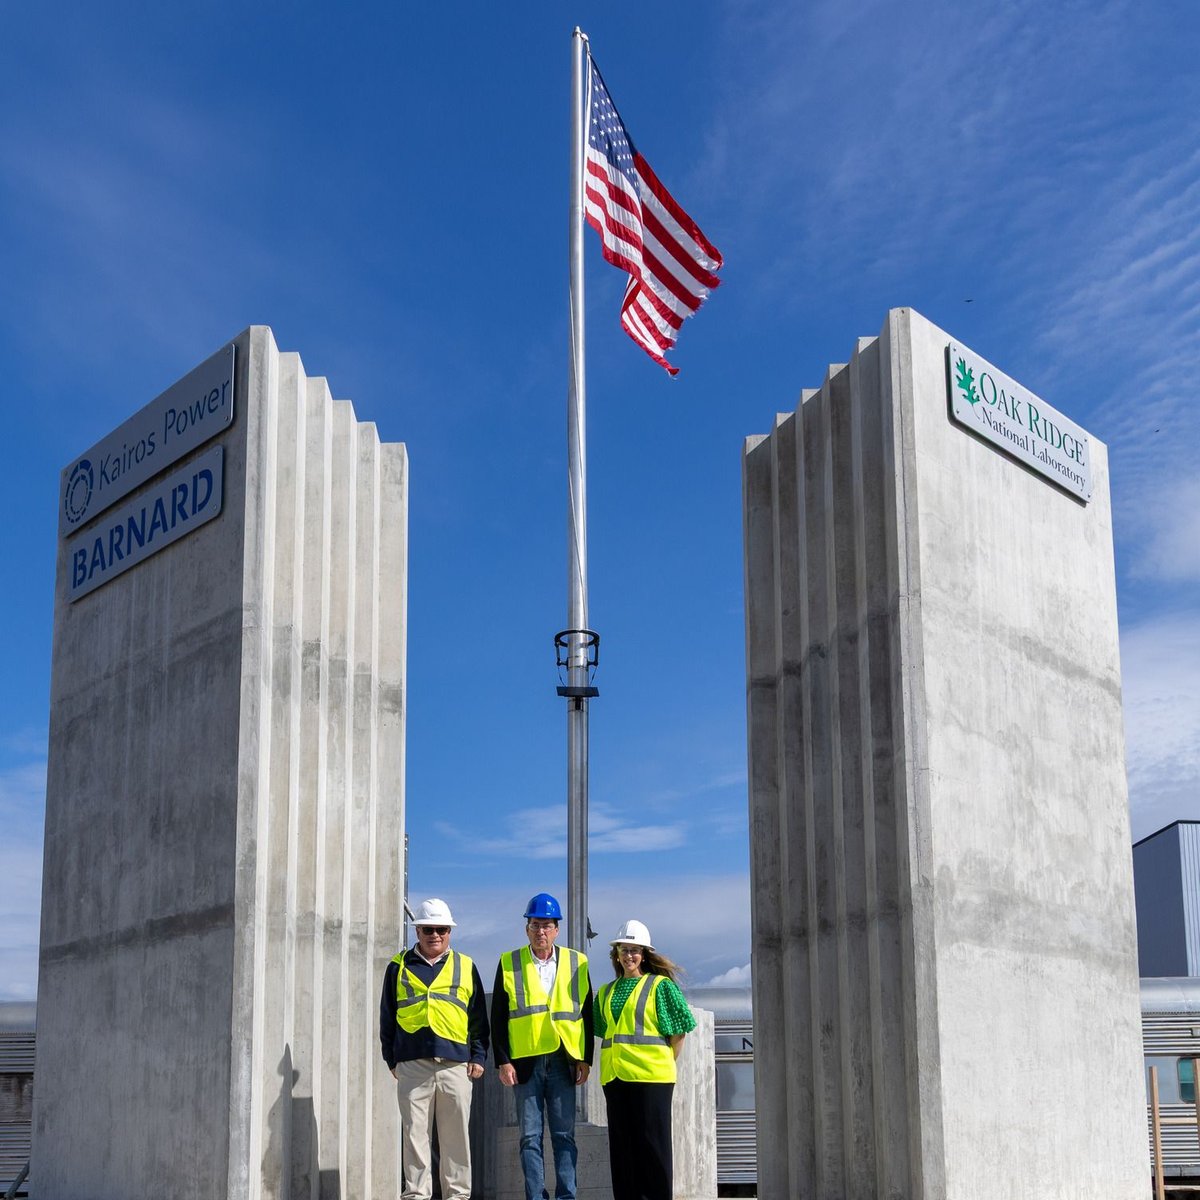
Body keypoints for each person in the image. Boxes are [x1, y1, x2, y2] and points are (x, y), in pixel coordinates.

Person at [379, 897, 490, 1200]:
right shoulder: (397, 966)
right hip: (412, 1065)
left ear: (449, 932)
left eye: (441, 929)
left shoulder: (465, 966)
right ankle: (416, 1194)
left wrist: (479, 1056)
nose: (435, 935)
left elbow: (478, 1017)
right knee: (414, 1135)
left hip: (455, 1064)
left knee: (457, 1139)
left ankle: (457, 1195)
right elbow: (387, 1016)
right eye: (428, 929)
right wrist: (392, 1059)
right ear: (418, 932)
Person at [491, 893, 593, 1200]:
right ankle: (535, 1196)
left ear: (556, 929)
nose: (541, 932)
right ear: (526, 928)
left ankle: (566, 1196)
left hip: (564, 1060)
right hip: (525, 1062)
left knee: (564, 1135)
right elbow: (498, 1016)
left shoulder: (578, 962)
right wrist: (503, 1061)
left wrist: (585, 1058)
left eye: (547, 925)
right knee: (529, 1137)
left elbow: (586, 1013)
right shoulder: (509, 962)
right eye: (535, 925)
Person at [593, 919, 695, 1200]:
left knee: (653, 1148)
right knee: (623, 1150)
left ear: (644, 954)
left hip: (652, 1079)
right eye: (624, 950)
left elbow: (678, 1033)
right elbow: (605, 1033)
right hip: (615, 1078)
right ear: (616, 954)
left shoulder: (660, 986)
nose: (629, 956)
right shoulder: (605, 992)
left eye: (635, 950)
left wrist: (663, 1063)